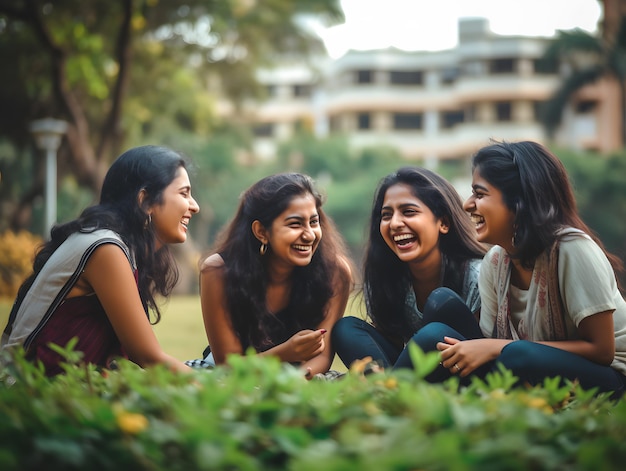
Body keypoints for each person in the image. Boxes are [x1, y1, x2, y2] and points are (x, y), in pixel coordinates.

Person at [413, 140, 626, 396]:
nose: (467, 205)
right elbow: (487, 342)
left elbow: (602, 351)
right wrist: (491, 348)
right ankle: (385, 400)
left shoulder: (572, 250)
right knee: (437, 328)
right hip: (524, 363)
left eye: (479, 194)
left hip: (610, 378)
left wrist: (495, 347)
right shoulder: (495, 261)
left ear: (519, 202)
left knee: (516, 354)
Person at [1, 145, 200, 375]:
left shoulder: (118, 247)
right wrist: (212, 389)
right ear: (145, 201)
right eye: (184, 193)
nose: (195, 206)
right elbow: (147, 355)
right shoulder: (106, 249)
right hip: (28, 395)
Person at [197, 172, 353, 379]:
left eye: (313, 222)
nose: (308, 235)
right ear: (261, 231)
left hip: (302, 377)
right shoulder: (218, 271)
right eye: (295, 224)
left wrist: (291, 384)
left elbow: (322, 357)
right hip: (236, 376)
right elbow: (227, 365)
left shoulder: (335, 272)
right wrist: (285, 353)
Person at [332, 167, 486, 370]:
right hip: (418, 370)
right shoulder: (384, 278)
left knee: (435, 325)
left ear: (444, 223)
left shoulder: (476, 276)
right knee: (346, 328)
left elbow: (483, 348)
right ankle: (393, 388)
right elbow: (392, 347)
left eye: (409, 212)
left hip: (463, 371)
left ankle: (392, 392)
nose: (395, 223)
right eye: (386, 215)